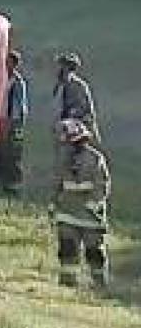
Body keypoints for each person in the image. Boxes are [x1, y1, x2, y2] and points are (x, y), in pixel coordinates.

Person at [51, 119, 110, 288]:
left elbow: (102, 183)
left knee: (94, 251)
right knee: (67, 248)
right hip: (67, 213)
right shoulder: (62, 160)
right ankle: (68, 281)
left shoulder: (95, 159)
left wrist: (95, 202)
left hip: (90, 215)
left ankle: (99, 283)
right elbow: (57, 182)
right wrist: (53, 203)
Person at [0, 50, 29, 195]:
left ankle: (13, 185)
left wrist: (12, 121)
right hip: (0, 119)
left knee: (12, 152)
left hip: (12, 121)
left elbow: (19, 107)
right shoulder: (1, 78)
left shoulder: (18, 83)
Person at [54, 52, 100, 144]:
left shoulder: (79, 86)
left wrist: (73, 113)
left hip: (79, 124)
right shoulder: (59, 86)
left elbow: (86, 109)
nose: (60, 69)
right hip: (62, 125)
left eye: (64, 66)